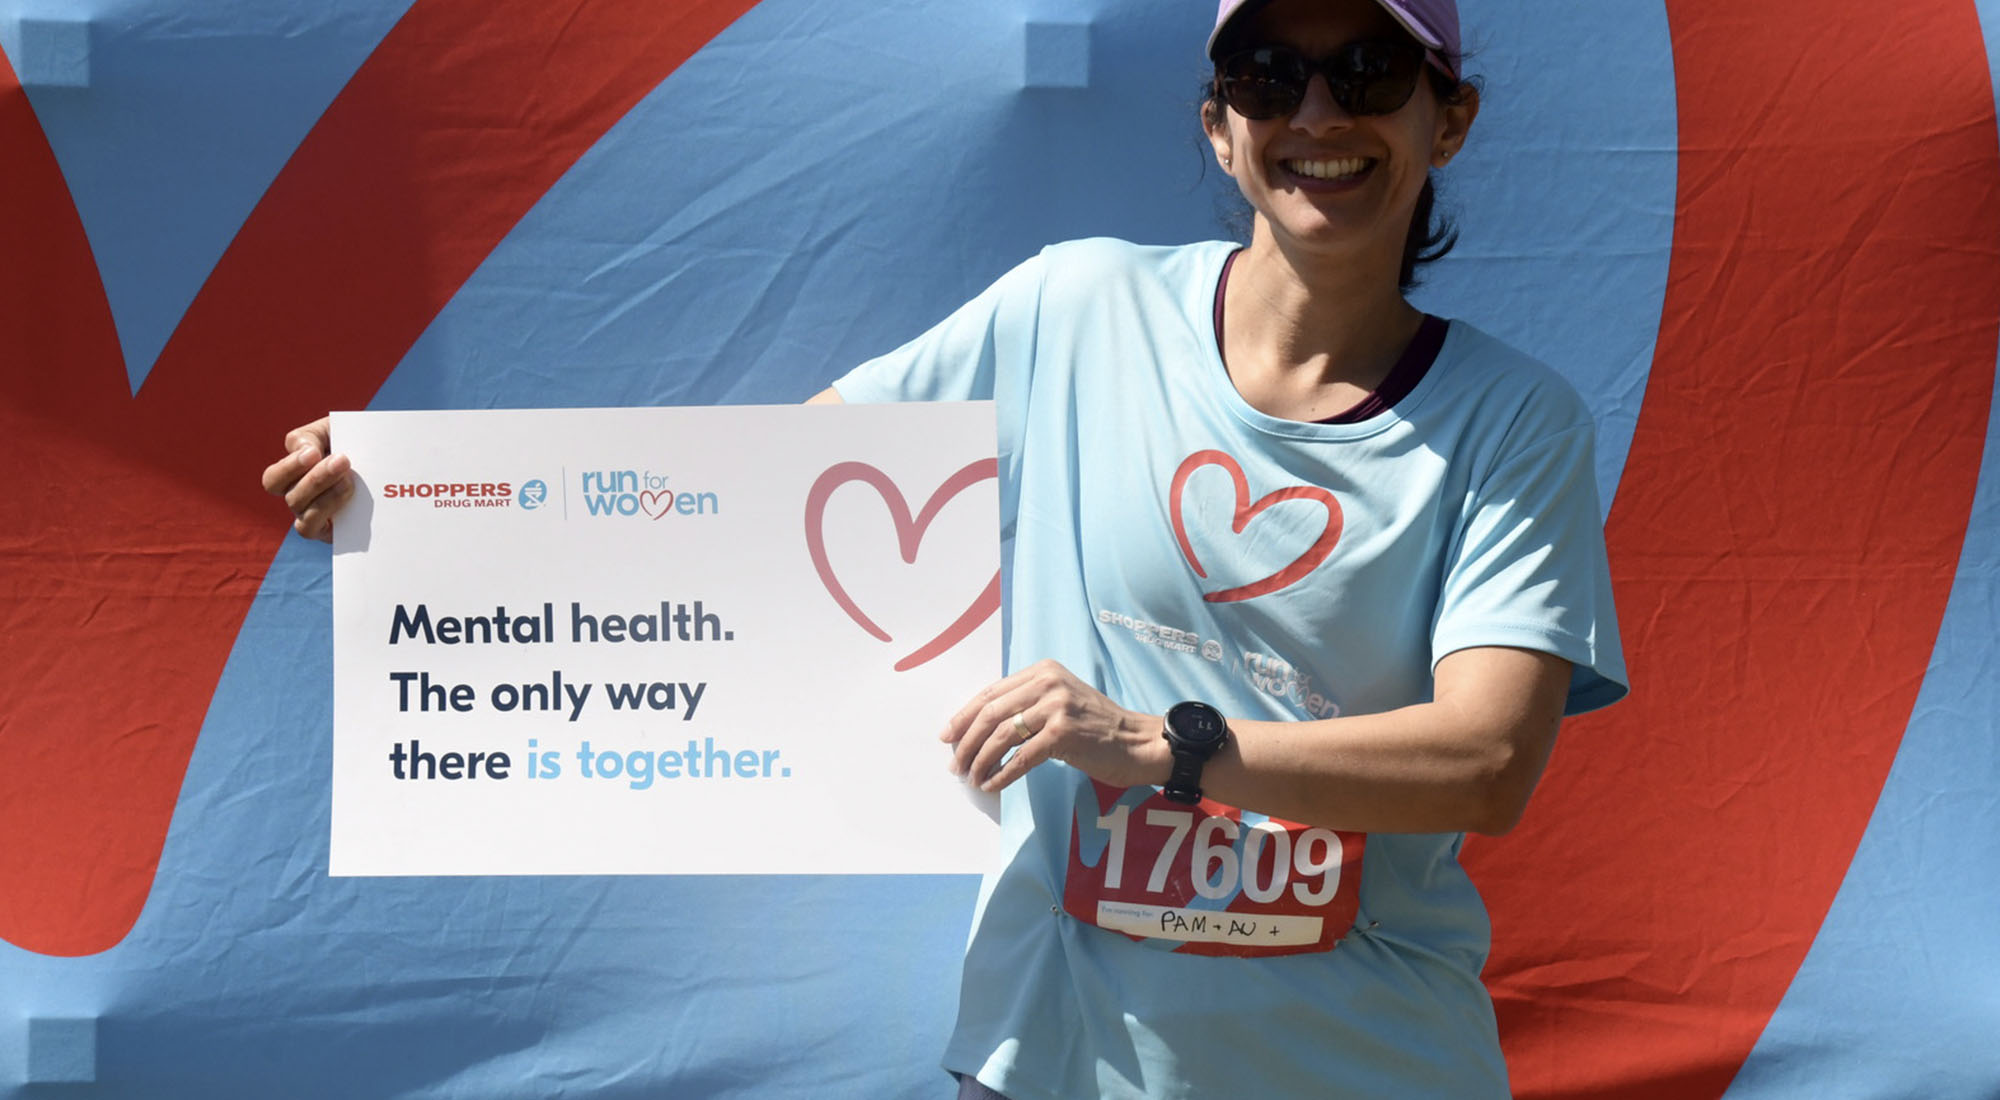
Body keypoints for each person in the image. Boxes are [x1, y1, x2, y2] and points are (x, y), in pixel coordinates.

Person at [266, 0, 1626, 1095]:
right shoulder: (1074, 308)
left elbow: (1485, 763)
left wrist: (1162, 746)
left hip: (1368, 1067)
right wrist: (435, 507)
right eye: (1269, 77)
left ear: (1449, 117)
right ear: (1220, 129)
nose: (1318, 116)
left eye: (1369, 70)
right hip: (1051, 1064)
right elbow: (750, 499)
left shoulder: (1514, 422)